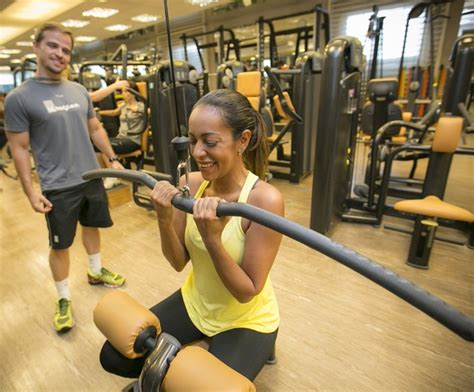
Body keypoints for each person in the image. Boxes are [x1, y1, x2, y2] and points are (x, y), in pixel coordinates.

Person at [99, 88, 284, 382]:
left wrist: (212, 238)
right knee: (114, 357)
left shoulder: (264, 201)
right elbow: (177, 261)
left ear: (243, 141)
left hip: (246, 319)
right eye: (194, 139)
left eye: (210, 142)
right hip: (195, 302)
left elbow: (247, 291)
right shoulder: (190, 183)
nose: (198, 152)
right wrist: (162, 217)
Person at [4, 22, 126, 333]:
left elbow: (95, 128)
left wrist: (112, 159)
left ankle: (96, 271)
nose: (60, 54)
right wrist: (31, 192)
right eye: (53, 46)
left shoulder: (79, 90)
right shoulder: (19, 98)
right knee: (60, 246)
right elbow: (18, 148)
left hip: (91, 175)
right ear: (37, 47)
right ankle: (63, 298)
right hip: (58, 186)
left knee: (93, 226)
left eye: (66, 50)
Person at [96, 80, 146, 189]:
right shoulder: (123, 105)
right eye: (123, 92)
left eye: (126, 92)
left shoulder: (141, 105)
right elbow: (114, 112)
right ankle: (106, 175)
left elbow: (145, 111)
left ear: (133, 93)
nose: (124, 94)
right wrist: (98, 112)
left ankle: (113, 177)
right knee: (97, 147)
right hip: (121, 139)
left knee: (104, 148)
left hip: (132, 141)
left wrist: (134, 109)